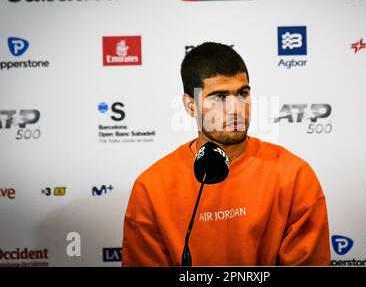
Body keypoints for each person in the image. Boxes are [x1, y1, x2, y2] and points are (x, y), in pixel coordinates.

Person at [121, 42, 330, 266]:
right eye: (219, 97)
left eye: (243, 93)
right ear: (191, 106)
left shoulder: (294, 175)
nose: (236, 108)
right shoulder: (151, 187)